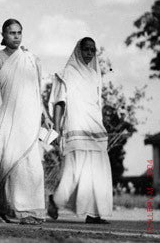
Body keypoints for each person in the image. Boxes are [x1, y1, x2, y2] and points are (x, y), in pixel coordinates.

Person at [0, 19, 53, 225]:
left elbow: (36, 92)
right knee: (10, 163)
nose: (16, 36)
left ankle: (29, 210)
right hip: (7, 119)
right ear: (3, 36)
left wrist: (46, 116)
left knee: (32, 165)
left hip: (29, 121)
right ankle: (10, 210)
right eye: (12, 33)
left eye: (19, 32)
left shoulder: (30, 58)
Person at [48, 37, 112, 224]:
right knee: (73, 172)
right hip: (75, 127)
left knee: (97, 173)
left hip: (95, 128)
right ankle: (55, 201)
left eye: (93, 50)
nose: (89, 53)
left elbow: (97, 103)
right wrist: (57, 130)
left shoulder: (94, 75)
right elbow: (59, 102)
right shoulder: (66, 73)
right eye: (86, 49)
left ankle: (94, 214)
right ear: (78, 50)